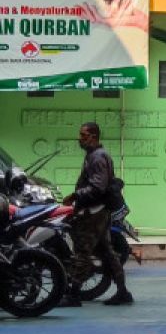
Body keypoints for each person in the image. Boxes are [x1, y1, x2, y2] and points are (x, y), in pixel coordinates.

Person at [60, 123, 132, 307]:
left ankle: (74, 294)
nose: (80, 138)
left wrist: (75, 195)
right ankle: (123, 292)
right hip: (98, 211)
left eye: (83, 135)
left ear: (93, 136)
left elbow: (97, 187)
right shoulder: (94, 156)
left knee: (82, 251)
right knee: (107, 251)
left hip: (94, 212)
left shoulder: (98, 157)